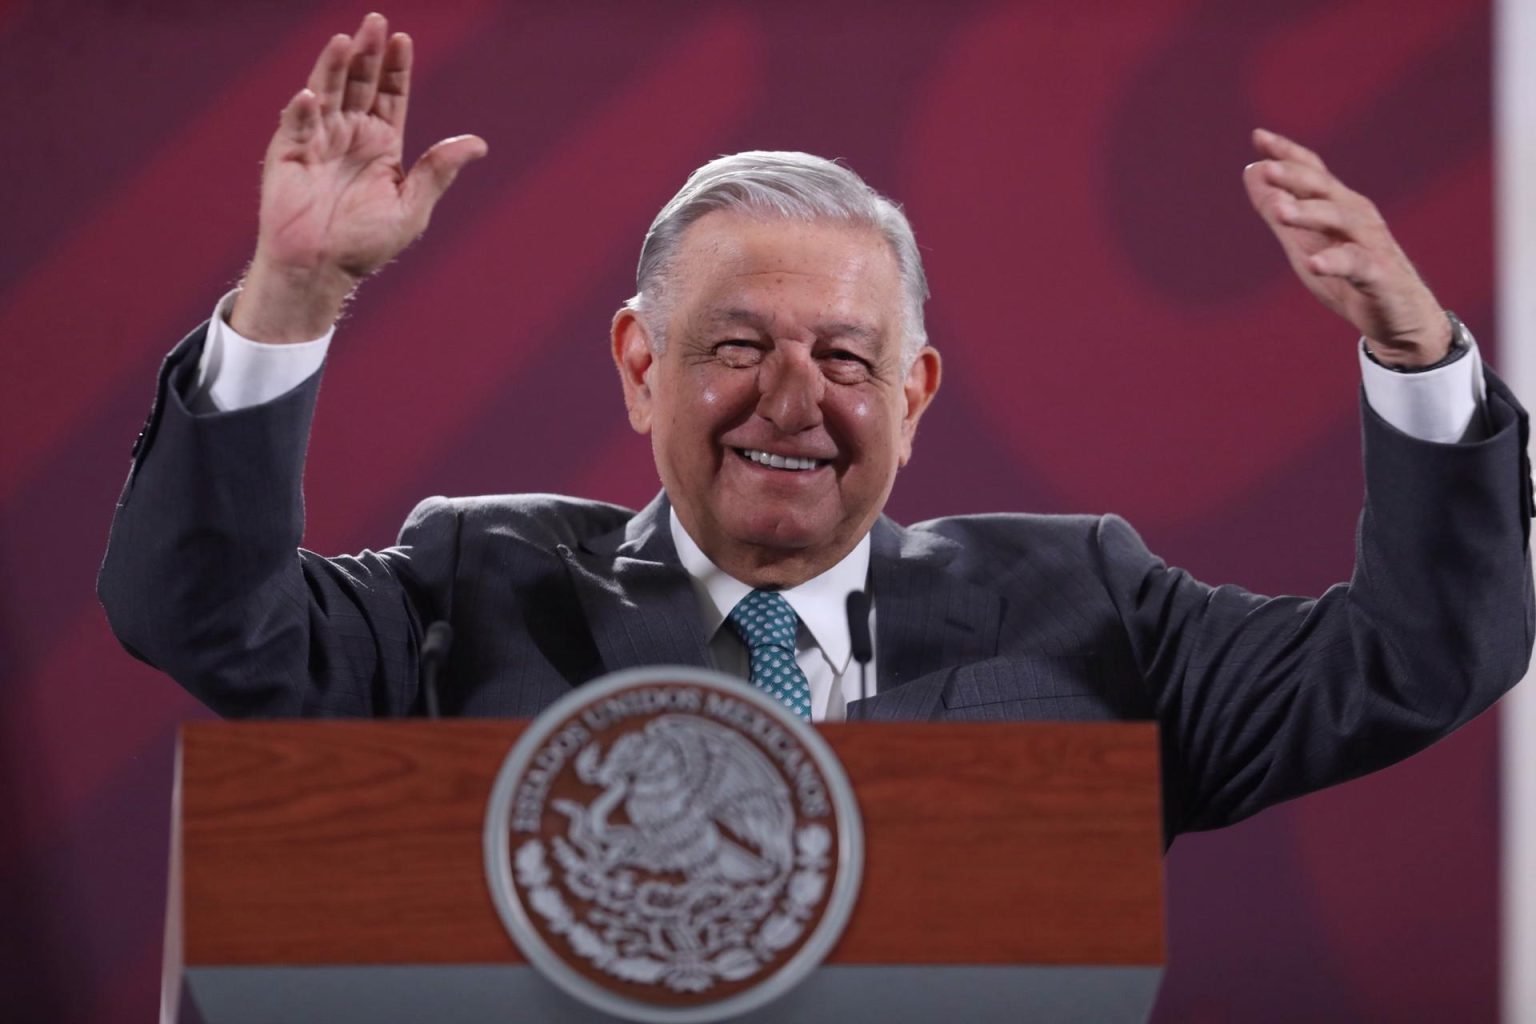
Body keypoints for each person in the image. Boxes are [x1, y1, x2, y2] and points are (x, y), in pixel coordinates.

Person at [99, 13, 1533, 837]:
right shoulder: (477, 587)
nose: (795, 402)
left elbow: (1419, 660)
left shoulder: (1090, 606)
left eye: (848, 358)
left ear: (911, 398)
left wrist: (1417, 355)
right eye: (737, 348)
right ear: (636, 364)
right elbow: (197, 615)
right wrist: (290, 295)